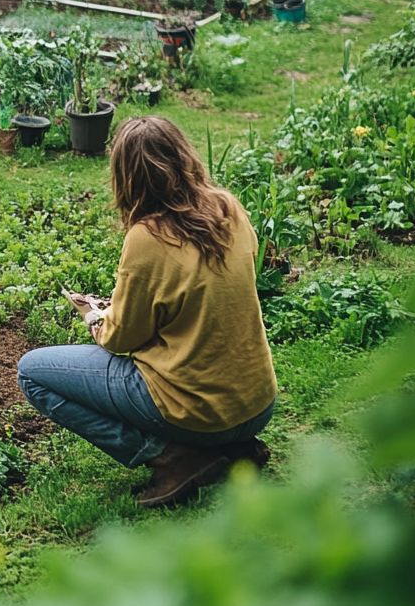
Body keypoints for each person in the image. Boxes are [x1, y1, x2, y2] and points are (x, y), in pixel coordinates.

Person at [17, 115, 277, 508]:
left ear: (127, 177)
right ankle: (235, 447)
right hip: (256, 404)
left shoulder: (148, 237)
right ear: (183, 156)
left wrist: (96, 317)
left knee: (32, 372)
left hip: (201, 415)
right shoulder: (228, 208)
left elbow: (122, 340)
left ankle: (174, 458)